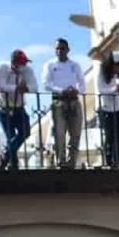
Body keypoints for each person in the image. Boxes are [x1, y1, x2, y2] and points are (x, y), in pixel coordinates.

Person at [42, 39, 86, 170]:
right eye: (57, 49)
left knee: (76, 133)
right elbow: (46, 84)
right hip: (59, 101)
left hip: (73, 101)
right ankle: (60, 161)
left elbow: (82, 83)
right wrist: (61, 90)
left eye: (62, 48)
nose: (59, 51)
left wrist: (76, 90)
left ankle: (71, 162)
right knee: (59, 133)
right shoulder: (49, 65)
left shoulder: (75, 65)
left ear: (68, 50)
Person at [0, 49, 36, 172]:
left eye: (24, 63)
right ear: (13, 62)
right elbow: (2, 86)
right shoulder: (2, 68)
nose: (23, 66)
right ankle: (13, 164)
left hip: (19, 107)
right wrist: (17, 88)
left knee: (25, 132)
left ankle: (5, 155)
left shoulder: (27, 71)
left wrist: (26, 88)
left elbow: (34, 87)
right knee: (10, 136)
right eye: (21, 63)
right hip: (3, 108)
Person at [95, 51, 119, 169]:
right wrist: (114, 89)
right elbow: (101, 88)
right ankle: (108, 160)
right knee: (109, 135)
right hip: (106, 108)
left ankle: (116, 161)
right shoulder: (102, 71)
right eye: (116, 65)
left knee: (117, 137)